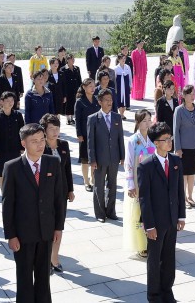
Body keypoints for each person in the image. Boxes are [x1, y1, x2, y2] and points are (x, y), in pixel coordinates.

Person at [2, 123, 66, 303]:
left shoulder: (53, 163)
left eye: (42, 140)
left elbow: (58, 198)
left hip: (46, 231)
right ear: (23, 143)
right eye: (34, 141)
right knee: (24, 277)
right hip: (23, 234)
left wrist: (58, 227)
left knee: (43, 276)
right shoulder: (12, 167)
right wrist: (11, 235)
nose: (40, 145)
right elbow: (8, 205)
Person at [139, 122, 186, 303]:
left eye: (170, 138)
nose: (169, 142)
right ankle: (154, 294)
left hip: (172, 219)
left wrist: (181, 215)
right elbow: (145, 198)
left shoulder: (176, 161)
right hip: (156, 222)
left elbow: (179, 190)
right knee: (154, 259)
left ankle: (167, 291)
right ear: (156, 143)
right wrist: (149, 225)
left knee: (169, 257)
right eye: (165, 140)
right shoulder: (146, 166)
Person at [38, 114, 74, 273]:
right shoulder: (40, 147)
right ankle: (44, 259)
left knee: (59, 225)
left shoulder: (64, 145)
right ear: (44, 131)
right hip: (44, 193)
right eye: (51, 129)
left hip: (62, 192)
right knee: (45, 226)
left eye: (57, 128)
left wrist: (71, 189)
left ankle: (54, 257)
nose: (55, 132)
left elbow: (68, 169)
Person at [88, 89, 124, 223]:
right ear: (100, 102)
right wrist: (92, 160)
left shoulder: (117, 117)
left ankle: (111, 211)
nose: (109, 102)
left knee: (112, 185)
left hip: (114, 157)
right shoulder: (93, 119)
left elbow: (120, 137)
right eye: (106, 100)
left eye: (111, 100)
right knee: (99, 186)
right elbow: (90, 141)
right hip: (99, 158)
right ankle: (100, 213)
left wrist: (122, 156)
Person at [124, 110, 155, 259]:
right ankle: (141, 245)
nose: (147, 123)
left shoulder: (153, 138)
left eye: (149, 120)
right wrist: (131, 184)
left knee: (152, 211)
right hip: (138, 179)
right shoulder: (132, 140)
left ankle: (152, 240)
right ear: (138, 122)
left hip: (152, 179)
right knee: (138, 214)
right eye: (144, 120)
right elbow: (129, 164)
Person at [172, 85, 195, 209]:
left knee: (192, 173)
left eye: (193, 93)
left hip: (194, 146)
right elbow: (176, 130)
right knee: (184, 174)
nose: (193, 96)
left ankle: (190, 196)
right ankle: (183, 197)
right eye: (190, 94)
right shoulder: (179, 110)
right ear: (184, 96)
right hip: (184, 147)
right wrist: (177, 148)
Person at [74, 79, 97, 192]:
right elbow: (77, 119)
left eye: (93, 86)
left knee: (94, 158)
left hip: (96, 133)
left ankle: (93, 179)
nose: (92, 88)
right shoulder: (80, 101)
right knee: (85, 159)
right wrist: (79, 134)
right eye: (90, 86)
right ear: (84, 87)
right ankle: (86, 181)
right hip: (84, 133)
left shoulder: (97, 100)